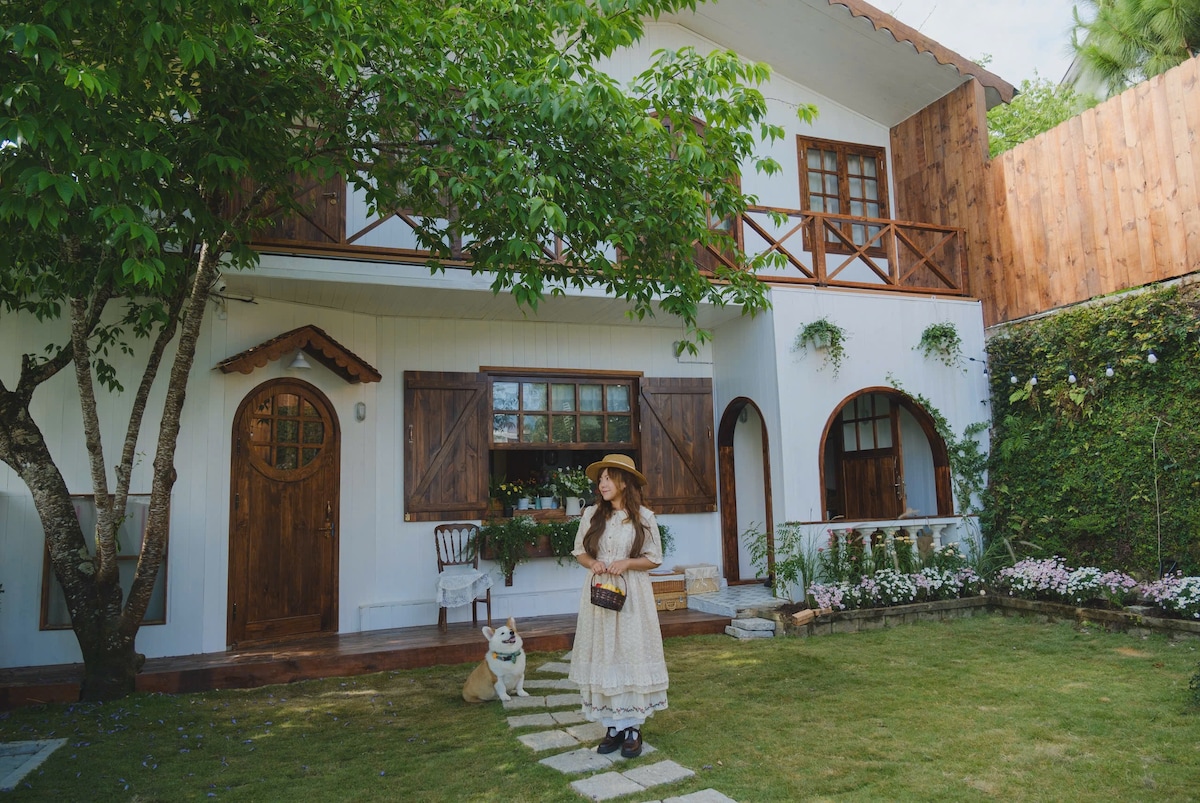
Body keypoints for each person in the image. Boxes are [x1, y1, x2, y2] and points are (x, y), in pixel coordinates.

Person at [567, 454, 668, 759]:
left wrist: (627, 563)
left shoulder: (644, 517)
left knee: (630, 652)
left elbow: (654, 558)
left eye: (609, 478)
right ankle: (612, 726)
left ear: (625, 483)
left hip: (632, 594)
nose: (603, 484)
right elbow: (579, 551)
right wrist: (593, 563)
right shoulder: (592, 515)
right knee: (605, 653)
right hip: (600, 594)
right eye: (601, 479)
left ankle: (633, 728)